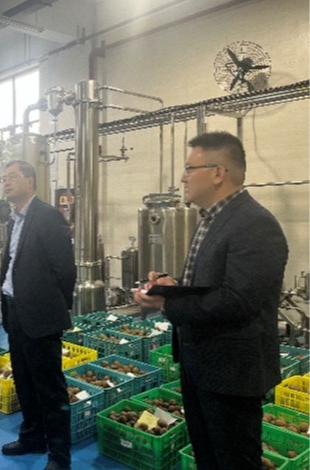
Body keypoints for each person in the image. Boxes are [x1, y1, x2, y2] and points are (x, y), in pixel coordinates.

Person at [134, 132, 288, 469]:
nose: (182, 177)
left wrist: (166, 305)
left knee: (233, 461)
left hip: (231, 373)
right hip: (200, 363)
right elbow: (209, 285)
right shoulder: (212, 219)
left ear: (218, 173)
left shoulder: (254, 223)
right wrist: (173, 286)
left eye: (190, 168)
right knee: (207, 456)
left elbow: (238, 300)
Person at [0, 160, 77, 470]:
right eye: (4, 178)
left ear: (30, 181)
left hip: (40, 315)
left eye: (13, 177)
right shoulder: (14, 219)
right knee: (24, 380)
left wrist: (53, 307)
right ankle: (32, 437)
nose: (6, 182)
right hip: (15, 311)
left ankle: (59, 456)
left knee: (49, 388)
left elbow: (65, 269)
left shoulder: (47, 216)